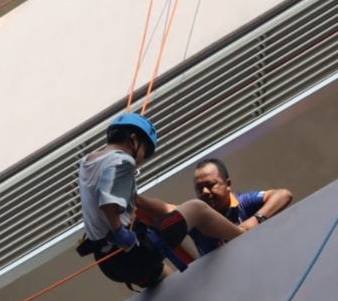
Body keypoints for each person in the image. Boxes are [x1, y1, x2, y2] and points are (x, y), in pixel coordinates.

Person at [75, 113, 247, 289]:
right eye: (144, 152)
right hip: (129, 252)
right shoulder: (123, 160)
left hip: (111, 263)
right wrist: (118, 230)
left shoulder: (88, 161)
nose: (140, 160)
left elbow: (119, 198)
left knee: (168, 278)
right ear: (134, 140)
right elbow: (108, 201)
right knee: (197, 208)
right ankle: (244, 235)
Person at [184, 158, 292, 256]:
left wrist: (253, 222)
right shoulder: (196, 219)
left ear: (228, 184)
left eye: (210, 185)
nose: (205, 192)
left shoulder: (244, 202)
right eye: (199, 188)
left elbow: (283, 195)